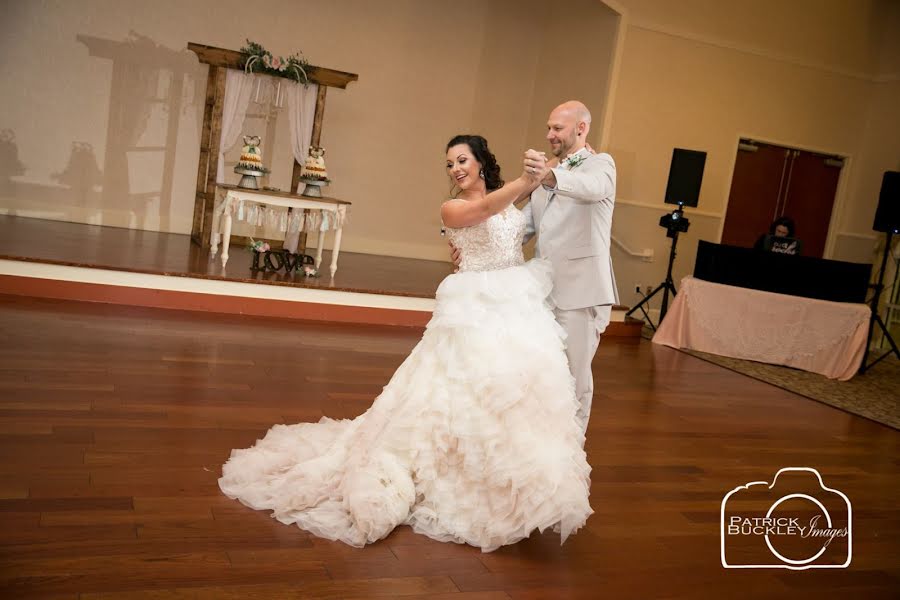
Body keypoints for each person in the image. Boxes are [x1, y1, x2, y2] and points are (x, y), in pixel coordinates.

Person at [219, 134, 592, 553]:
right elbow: (485, 210)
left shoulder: (514, 208)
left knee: (514, 393)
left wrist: (541, 182)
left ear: (481, 163)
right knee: (458, 390)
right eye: (450, 163)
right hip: (473, 308)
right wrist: (527, 180)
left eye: (463, 159)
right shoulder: (451, 208)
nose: (456, 169)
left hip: (516, 304)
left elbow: (508, 228)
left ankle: (516, 486)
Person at [454, 101, 617, 437]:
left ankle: (572, 453)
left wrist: (550, 175)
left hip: (580, 291)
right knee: (542, 376)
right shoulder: (548, 175)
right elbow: (519, 227)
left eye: (557, 128)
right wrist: (474, 245)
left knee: (574, 378)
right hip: (540, 292)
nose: (549, 134)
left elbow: (592, 188)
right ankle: (541, 446)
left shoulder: (600, 165)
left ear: (581, 129)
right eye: (549, 128)